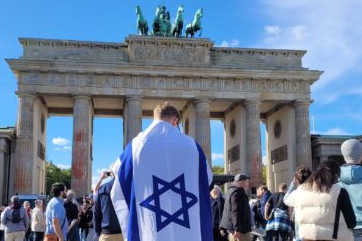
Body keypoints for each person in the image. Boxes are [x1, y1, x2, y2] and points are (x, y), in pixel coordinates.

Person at [110, 102, 213, 240]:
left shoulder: (134, 147)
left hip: (149, 228)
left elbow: (119, 180)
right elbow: (207, 178)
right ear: (175, 120)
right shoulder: (192, 146)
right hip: (189, 230)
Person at [285, 160, 356, 240]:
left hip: (307, 238)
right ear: (335, 175)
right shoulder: (339, 191)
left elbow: (286, 199)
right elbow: (351, 223)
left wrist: (292, 184)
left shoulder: (301, 189)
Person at [220, 174, 252, 241]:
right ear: (241, 182)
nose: (247, 183)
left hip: (235, 229)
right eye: (246, 181)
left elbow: (226, 210)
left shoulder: (230, 191)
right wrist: (237, 229)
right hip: (240, 231)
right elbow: (235, 212)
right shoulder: (237, 193)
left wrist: (222, 227)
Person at [283, 166, 312, 241]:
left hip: (301, 227)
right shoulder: (318, 191)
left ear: (296, 180)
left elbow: (285, 199)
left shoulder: (296, 193)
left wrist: (292, 184)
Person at [94, 172, 122, 241]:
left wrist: (98, 233)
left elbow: (96, 214)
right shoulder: (127, 188)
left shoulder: (103, 189)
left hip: (106, 234)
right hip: (123, 233)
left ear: (111, 174)